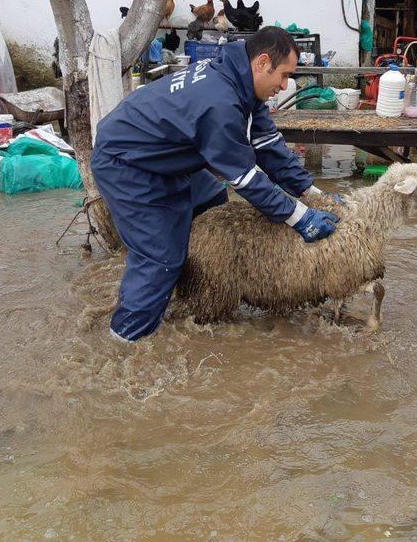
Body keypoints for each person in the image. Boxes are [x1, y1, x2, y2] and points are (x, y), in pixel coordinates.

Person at [91, 26, 339, 343]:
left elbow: (268, 145)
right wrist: (300, 216)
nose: (285, 85)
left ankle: (190, 290)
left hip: (161, 155)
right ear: (263, 62)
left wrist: (311, 192)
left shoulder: (239, 83)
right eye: (284, 75)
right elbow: (246, 179)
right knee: (159, 257)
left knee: (212, 198)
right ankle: (124, 340)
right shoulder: (220, 102)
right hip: (128, 164)